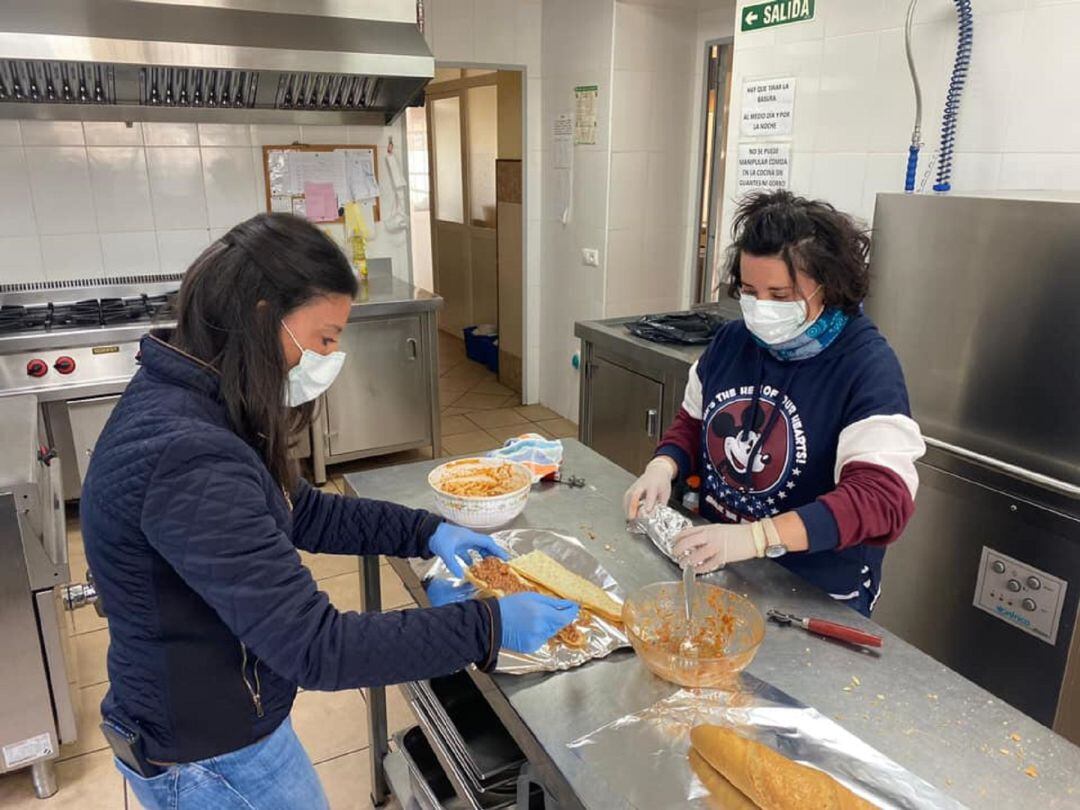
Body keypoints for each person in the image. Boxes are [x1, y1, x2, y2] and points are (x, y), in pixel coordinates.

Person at [80, 213, 577, 809]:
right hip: (208, 756)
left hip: (224, 717)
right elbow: (318, 648)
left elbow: (302, 512)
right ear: (264, 315)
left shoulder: (203, 395)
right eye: (323, 339)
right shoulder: (188, 454)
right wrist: (490, 627)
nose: (326, 358)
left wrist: (427, 531)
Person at [625, 190, 925, 616]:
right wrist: (664, 465)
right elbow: (694, 422)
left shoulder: (865, 366)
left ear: (829, 285)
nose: (761, 308)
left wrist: (758, 537)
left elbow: (882, 500)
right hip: (725, 568)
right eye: (749, 290)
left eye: (781, 296)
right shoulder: (733, 342)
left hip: (812, 593)